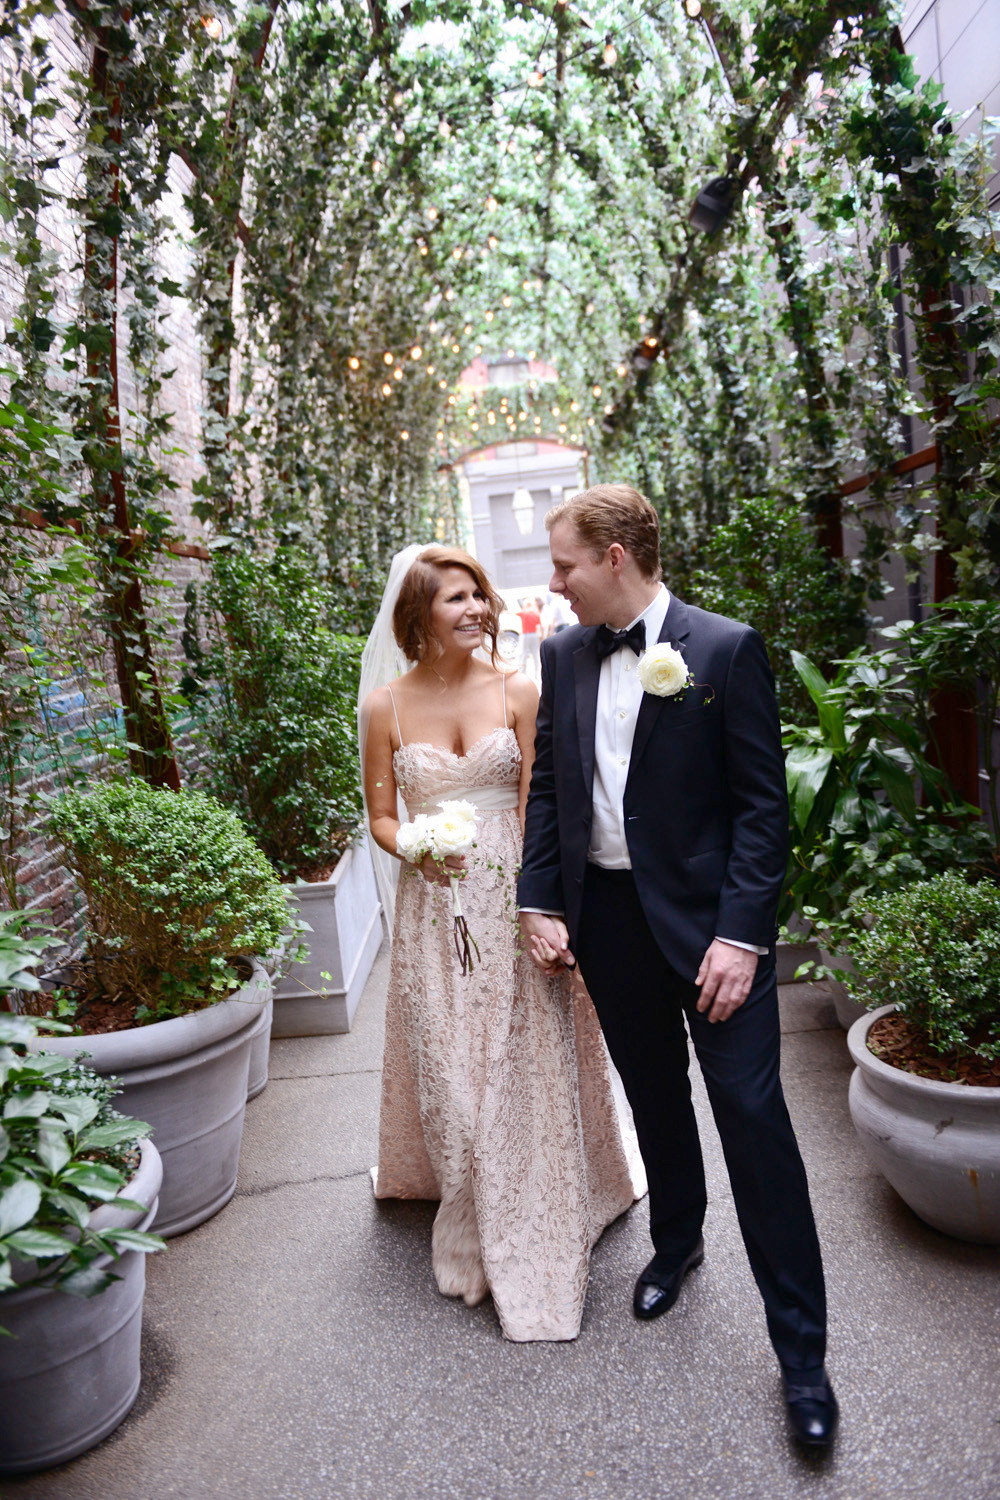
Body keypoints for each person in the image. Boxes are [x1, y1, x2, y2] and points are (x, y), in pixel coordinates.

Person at [517, 486, 836, 1444]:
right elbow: (550, 794)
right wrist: (539, 898)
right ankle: (677, 1244)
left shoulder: (725, 649)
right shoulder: (564, 651)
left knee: (752, 1119)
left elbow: (761, 812)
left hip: (713, 933)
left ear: (615, 557)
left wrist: (742, 937)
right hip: (608, 924)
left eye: (565, 562)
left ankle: (804, 1361)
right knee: (654, 1097)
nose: (554, 579)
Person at [359, 544, 645, 1342]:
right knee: (453, 1062)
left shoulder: (520, 689)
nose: (478, 608)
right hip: (435, 906)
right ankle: (468, 1195)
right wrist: (414, 843)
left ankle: (537, 1204)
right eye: (457, 598)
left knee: (522, 1056)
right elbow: (381, 816)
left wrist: (546, 907)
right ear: (417, 615)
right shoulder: (384, 705)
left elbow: (540, 809)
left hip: (514, 897)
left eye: (480, 594)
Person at [515, 596, 542, 682]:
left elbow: (515, 612)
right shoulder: (536, 613)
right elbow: (539, 626)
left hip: (525, 635)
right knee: (535, 654)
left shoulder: (524, 613)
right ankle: (537, 673)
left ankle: (523, 673)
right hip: (534, 634)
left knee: (523, 654)